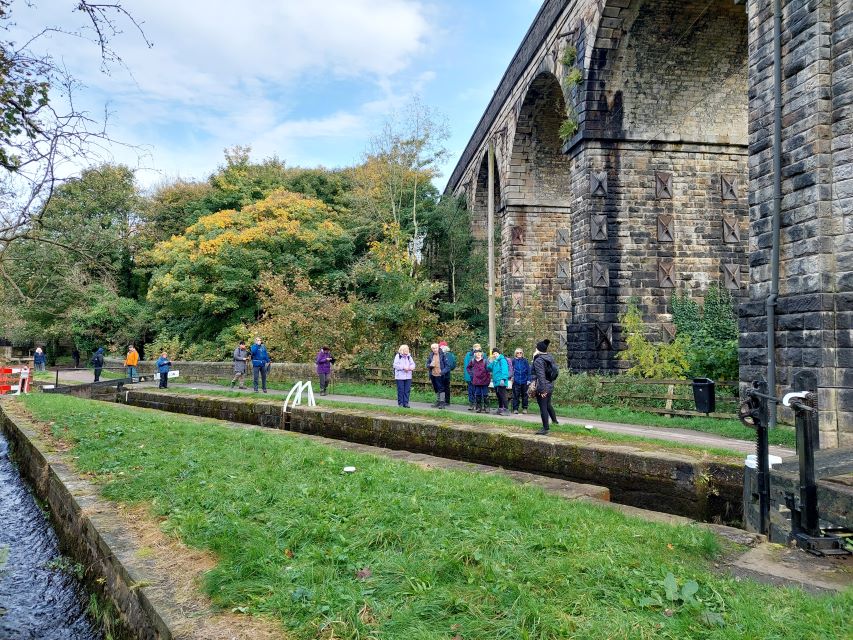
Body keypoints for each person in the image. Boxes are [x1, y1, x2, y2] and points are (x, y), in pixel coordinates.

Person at [532, 339, 560, 435]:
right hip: (550, 384)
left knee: (543, 407)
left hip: (543, 386)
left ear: (538, 349)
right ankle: (555, 421)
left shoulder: (539, 360)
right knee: (548, 404)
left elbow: (541, 376)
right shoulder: (549, 357)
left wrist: (542, 390)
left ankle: (545, 428)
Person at [425, 342, 450, 408]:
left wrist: (442, 372)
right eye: (433, 348)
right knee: (436, 388)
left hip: (441, 375)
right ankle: (438, 401)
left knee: (441, 389)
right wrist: (430, 365)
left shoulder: (443, 355)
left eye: (435, 348)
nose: (434, 349)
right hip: (433, 375)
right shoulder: (431, 355)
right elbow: (427, 365)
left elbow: (448, 366)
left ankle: (442, 403)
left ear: (438, 348)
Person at [466, 346, 491, 413]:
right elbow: (468, 368)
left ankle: (486, 407)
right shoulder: (473, 361)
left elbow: (489, 370)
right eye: (476, 352)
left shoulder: (485, 361)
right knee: (478, 394)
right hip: (476, 381)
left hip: (484, 380)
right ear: (474, 354)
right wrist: (472, 374)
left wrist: (488, 379)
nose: (478, 354)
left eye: (479, 352)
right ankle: (478, 407)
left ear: (481, 353)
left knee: (485, 394)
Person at [487, 347, 510, 415]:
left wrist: (503, 379)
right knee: (499, 396)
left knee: (503, 396)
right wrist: (490, 361)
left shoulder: (502, 360)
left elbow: (505, 370)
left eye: (496, 353)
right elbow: (489, 368)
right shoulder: (495, 361)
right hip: (496, 381)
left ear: (499, 353)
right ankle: (500, 409)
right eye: (494, 354)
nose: (495, 355)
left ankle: (506, 410)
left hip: (501, 381)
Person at [511, 348, 531, 414]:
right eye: (518, 353)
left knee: (525, 395)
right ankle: (515, 409)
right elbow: (511, 370)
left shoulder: (525, 361)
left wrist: (528, 379)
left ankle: (525, 408)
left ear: (522, 353)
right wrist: (511, 377)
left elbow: (528, 371)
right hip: (516, 381)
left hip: (524, 380)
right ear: (515, 354)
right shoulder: (513, 361)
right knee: (515, 396)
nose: (519, 354)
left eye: (520, 353)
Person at [462, 343, 481, 411]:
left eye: (478, 348)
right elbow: (466, 366)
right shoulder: (468, 355)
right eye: (475, 348)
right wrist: (468, 376)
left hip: (479, 376)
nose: (477, 350)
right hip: (471, 376)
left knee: (478, 391)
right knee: (471, 390)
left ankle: (478, 404)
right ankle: (471, 403)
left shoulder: (482, 355)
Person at [439, 341, 457, 406]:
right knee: (443, 388)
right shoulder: (449, 355)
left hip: (444, 374)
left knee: (444, 388)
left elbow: (452, 365)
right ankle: (443, 401)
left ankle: (444, 401)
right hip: (442, 374)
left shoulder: (447, 355)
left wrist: (446, 370)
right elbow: (453, 365)